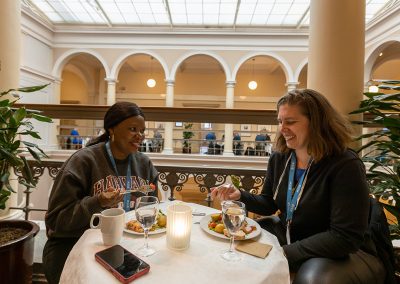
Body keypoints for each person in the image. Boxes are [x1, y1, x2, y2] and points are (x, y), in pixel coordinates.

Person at [211, 89, 385, 283]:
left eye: (290, 122)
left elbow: (345, 237)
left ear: (317, 123)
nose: (282, 128)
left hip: (339, 251)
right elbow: (269, 203)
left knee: (314, 278)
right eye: (280, 121)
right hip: (291, 236)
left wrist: (284, 253)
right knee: (237, 241)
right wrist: (239, 196)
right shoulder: (280, 157)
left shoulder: (345, 165)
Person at [43, 101, 158, 284]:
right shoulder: (83, 161)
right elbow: (56, 220)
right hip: (73, 245)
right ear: (111, 129)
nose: (140, 136)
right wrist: (98, 202)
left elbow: (151, 209)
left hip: (123, 247)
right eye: (133, 129)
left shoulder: (144, 164)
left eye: (142, 131)